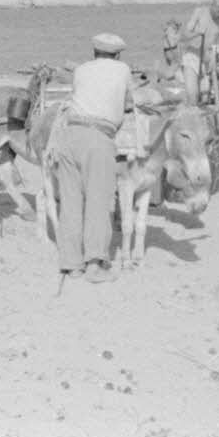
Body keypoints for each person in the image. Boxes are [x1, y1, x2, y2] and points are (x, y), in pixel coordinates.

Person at [50, 33, 137, 283]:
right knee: (98, 201)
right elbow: (129, 102)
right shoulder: (123, 69)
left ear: (94, 52)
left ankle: (71, 264)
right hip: (98, 137)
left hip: (69, 135)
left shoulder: (81, 70)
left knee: (70, 201)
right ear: (117, 55)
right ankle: (94, 265)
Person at [180, 0, 219, 104]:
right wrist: (198, 33)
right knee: (192, 97)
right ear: (212, 5)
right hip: (192, 57)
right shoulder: (199, 12)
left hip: (207, 62)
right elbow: (183, 36)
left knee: (205, 101)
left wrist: (218, 55)